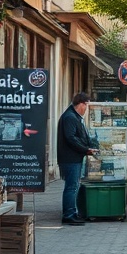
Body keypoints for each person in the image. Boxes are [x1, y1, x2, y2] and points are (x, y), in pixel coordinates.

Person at [57, 92, 97, 226]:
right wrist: (85, 149)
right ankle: (69, 214)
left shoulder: (73, 116)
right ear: (81, 104)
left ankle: (72, 212)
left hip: (73, 157)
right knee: (72, 186)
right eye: (86, 105)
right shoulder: (70, 117)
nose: (86, 109)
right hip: (70, 158)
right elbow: (71, 138)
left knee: (74, 186)